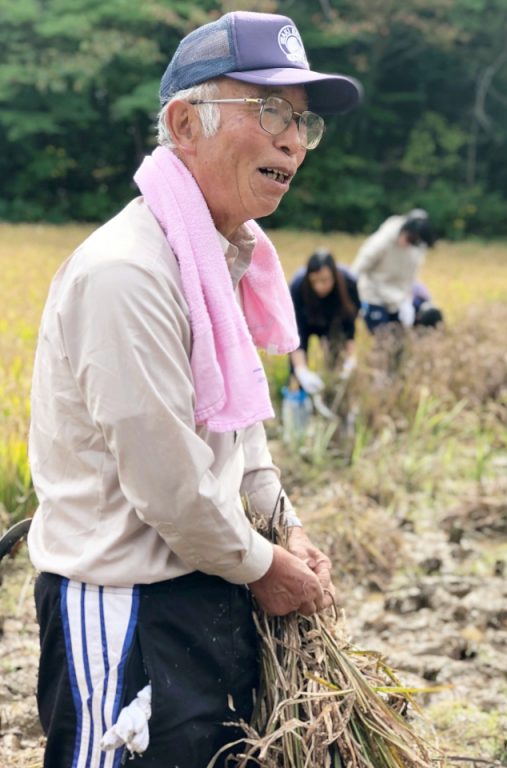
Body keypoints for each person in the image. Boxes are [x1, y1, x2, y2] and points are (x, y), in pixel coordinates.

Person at [27, 12, 360, 767]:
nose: (292, 141)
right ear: (185, 122)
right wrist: (265, 566)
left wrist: (287, 527)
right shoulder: (130, 272)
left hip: (206, 583)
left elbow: (237, 424)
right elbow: (169, 485)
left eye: (303, 122)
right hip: (125, 606)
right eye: (271, 111)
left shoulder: (217, 255)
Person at [351, 209, 438, 332]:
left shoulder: (417, 249)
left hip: (398, 300)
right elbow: (357, 270)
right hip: (374, 296)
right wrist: (355, 300)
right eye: (408, 239)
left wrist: (407, 302)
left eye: (413, 242)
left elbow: (410, 278)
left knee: (401, 340)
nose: (408, 244)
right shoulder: (381, 241)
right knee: (383, 337)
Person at [289, 248, 361, 395]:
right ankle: (299, 396)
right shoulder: (297, 287)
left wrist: (350, 359)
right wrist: (301, 370)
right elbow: (296, 334)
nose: (319, 287)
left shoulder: (349, 283)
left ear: (334, 276)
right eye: (314, 281)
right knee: (297, 370)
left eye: (324, 280)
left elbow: (349, 327)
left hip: (334, 324)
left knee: (336, 363)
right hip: (307, 322)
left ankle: (332, 393)